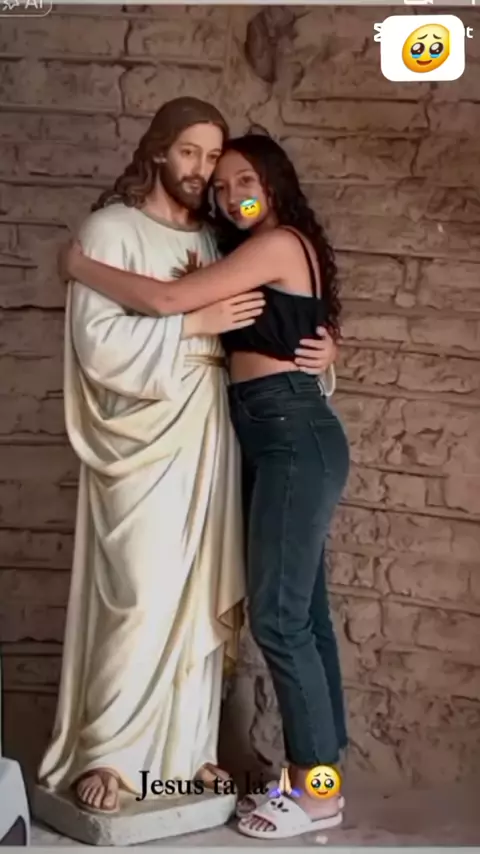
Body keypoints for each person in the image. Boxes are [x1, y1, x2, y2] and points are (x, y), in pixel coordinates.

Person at [38, 98, 338, 818]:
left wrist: (327, 356)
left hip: (223, 436)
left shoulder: (229, 242)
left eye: (221, 163)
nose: (208, 176)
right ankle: (111, 754)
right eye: (193, 155)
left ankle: (192, 760)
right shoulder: (112, 230)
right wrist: (187, 323)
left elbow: (242, 319)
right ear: (157, 152)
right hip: (152, 441)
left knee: (210, 598)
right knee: (144, 594)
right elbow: (101, 345)